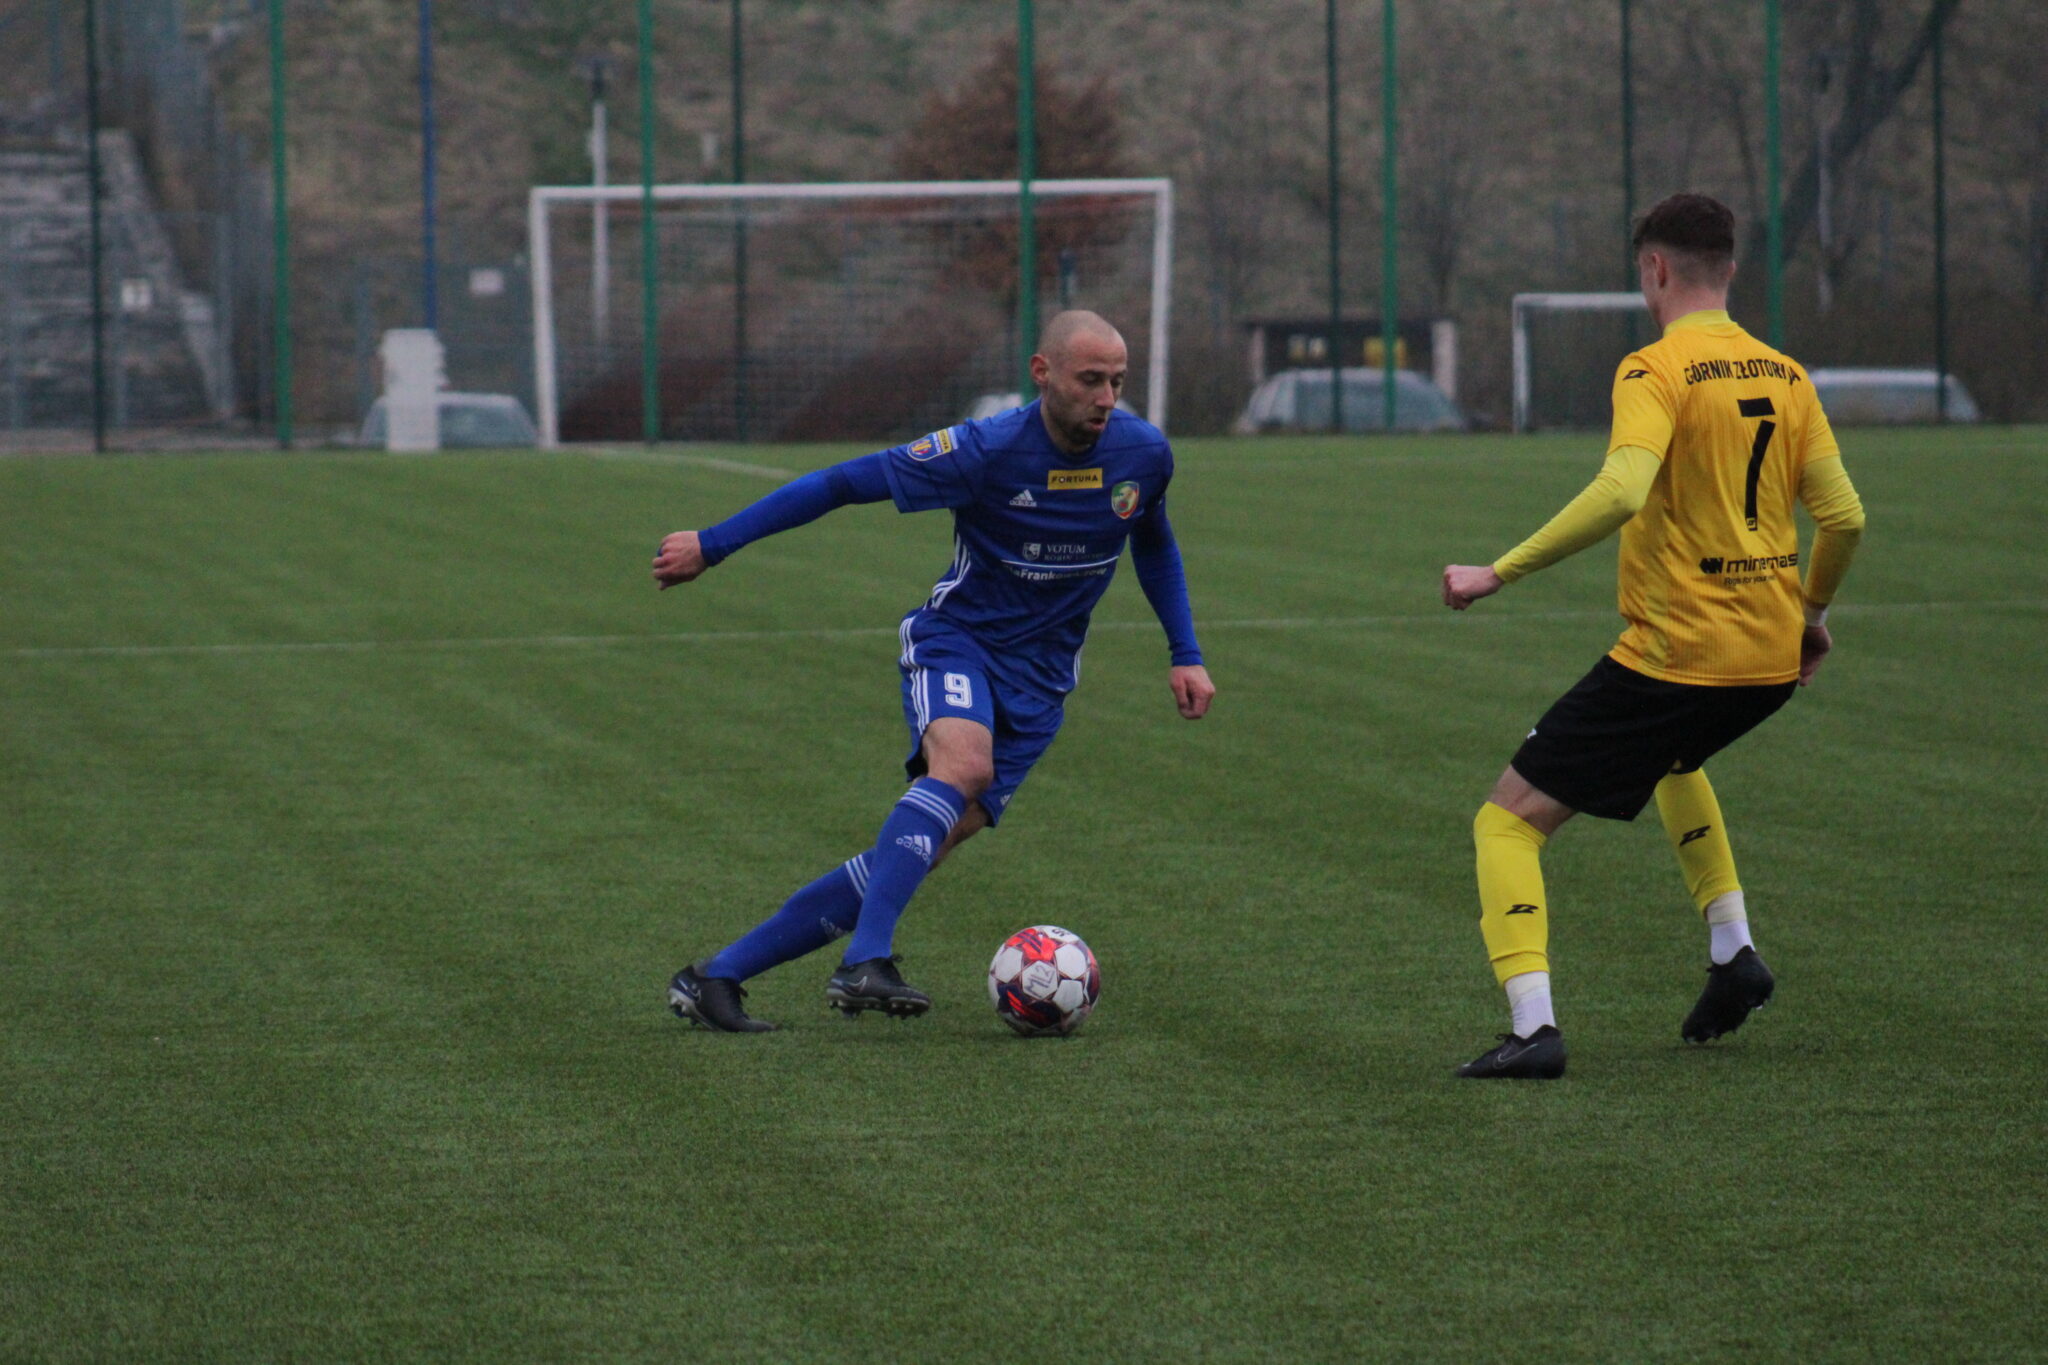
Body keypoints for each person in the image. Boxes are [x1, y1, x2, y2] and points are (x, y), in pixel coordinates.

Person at [654, 310, 1216, 1031]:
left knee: (914, 852)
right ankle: (866, 960)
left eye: (1117, 382)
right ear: (1043, 374)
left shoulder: (1143, 455)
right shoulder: (982, 449)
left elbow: (1155, 541)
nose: (1106, 398)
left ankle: (716, 977)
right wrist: (713, 542)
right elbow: (839, 484)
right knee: (962, 766)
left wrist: (1186, 652)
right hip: (958, 644)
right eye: (1090, 380)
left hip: (1041, 688)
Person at [1440, 192, 1866, 1079]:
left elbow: (1623, 491)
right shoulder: (1787, 376)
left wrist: (1498, 569)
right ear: (1732, 268)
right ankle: (1732, 949)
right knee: (1677, 761)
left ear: (1655, 269)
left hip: (1680, 658)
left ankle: (1533, 1029)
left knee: (1505, 825)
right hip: (1766, 662)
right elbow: (1845, 517)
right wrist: (1811, 618)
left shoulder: (1653, 369)